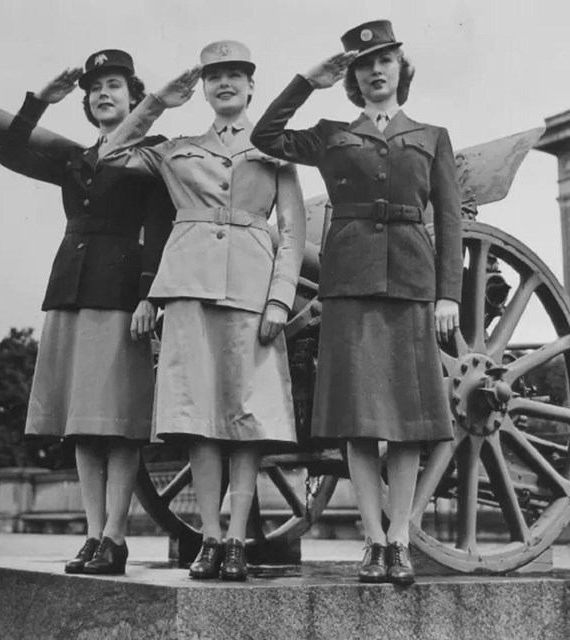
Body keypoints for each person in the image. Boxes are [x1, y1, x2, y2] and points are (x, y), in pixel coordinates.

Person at [251, 20, 462, 584]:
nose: (375, 71)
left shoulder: (432, 136)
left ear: (400, 70)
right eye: (364, 65)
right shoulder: (329, 133)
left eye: (384, 62)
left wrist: (449, 294)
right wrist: (306, 81)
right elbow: (265, 136)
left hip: (413, 287)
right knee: (360, 420)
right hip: (347, 287)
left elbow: (449, 220)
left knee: (410, 423)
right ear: (354, 77)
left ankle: (399, 539)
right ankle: (372, 541)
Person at [99, 41, 306, 581]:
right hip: (189, 289)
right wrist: (159, 102)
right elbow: (111, 155)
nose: (226, 84)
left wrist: (281, 297)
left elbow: (293, 229)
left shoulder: (274, 149)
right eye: (216, 77)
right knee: (200, 421)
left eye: (236, 75)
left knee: (246, 419)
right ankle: (210, 540)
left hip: (252, 290)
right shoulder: (177, 147)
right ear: (205, 88)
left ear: (252, 85)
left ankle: (237, 537)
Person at [0, 49, 175, 575]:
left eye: (115, 85)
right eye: (95, 87)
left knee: (118, 423)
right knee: (80, 423)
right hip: (70, 291)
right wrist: (39, 102)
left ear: (135, 96)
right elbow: (9, 154)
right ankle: (93, 534)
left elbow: (161, 225)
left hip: (121, 293)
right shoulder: (77, 157)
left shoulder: (154, 152)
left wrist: (149, 294)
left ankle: (116, 538)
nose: (103, 93)